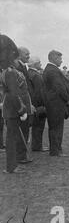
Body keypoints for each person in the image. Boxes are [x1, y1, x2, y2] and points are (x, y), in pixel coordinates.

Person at [0, 34, 29, 173]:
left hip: (10, 109)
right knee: (11, 139)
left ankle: (12, 166)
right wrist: (21, 109)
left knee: (11, 138)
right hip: (13, 109)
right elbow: (13, 94)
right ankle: (11, 167)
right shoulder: (10, 72)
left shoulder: (7, 71)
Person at [43, 50, 69, 157]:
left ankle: (56, 149)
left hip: (52, 103)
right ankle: (55, 151)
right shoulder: (52, 70)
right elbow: (59, 87)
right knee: (57, 127)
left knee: (55, 126)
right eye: (60, 58)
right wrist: (67, 98)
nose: (61, 61)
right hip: (55, 103)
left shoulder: (50, 69)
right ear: (54, 58)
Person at [27, 56, 48, 152]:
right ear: (35, 64)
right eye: (39, 62)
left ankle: (36, 146)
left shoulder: (29, 73)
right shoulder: (36, 75)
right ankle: (37, 146)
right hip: (38, 105)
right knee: (39, 126)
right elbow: (40, 92)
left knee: (35, 126)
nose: (40, 64)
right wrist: (43, 104)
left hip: (32, 103)